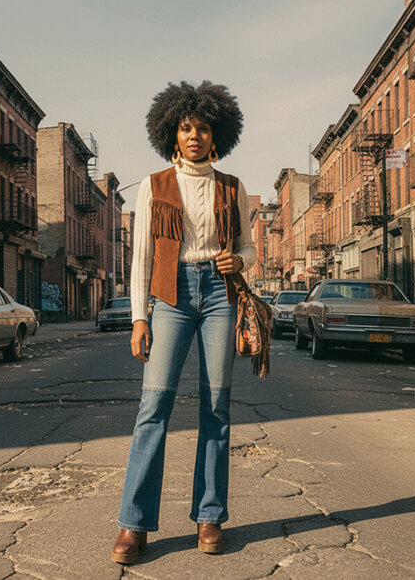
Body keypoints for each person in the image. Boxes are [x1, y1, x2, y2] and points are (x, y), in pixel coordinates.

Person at [111, 81, 256, 565]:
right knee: (153, 406)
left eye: (204, 128)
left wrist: (240, 260)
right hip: (169, 295)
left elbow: (250, 249)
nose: (194, 135)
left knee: (216, 406)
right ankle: (134, 525)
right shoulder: (154, 185)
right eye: (186, 126)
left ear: (218, 137)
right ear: (173, 133)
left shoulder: (232, 187)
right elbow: (142, 259)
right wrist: (139, 318)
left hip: (219, 293)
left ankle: (210, 515)